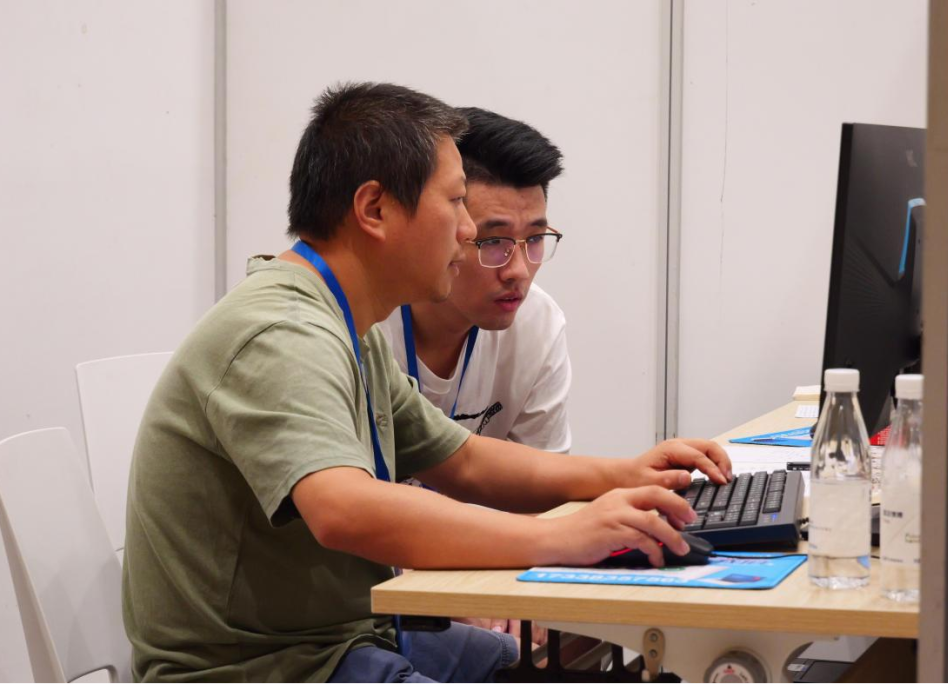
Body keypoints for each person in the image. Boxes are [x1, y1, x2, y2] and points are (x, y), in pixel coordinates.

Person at [122, 81, 731, 684]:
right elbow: (344, 510)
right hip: (262, 668)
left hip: (347, 641)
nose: (467, 230)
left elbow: (463, 461)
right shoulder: (282, 332)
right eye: (457, 203)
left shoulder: (347, 324)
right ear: (374, 210)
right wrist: (560, 536)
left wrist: (629, 475)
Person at [378, 107, 570, 454]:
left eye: (535, 239)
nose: (518, 271)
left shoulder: (537, 323)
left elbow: (545, 478)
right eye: (493, 241)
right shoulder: (365, 324)